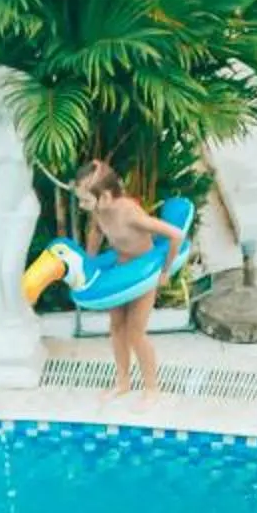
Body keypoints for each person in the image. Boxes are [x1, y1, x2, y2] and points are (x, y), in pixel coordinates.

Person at [72, 160, 183, 400]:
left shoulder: (129, 213)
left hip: (141, 275)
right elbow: (96, 232)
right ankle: (123, 382)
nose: (82, 206)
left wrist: (164, 271)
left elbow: (176, 235)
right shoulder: (99, 211)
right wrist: (90, 264)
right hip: (120, 270)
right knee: (116, 327)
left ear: (106, 196)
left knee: (135, 333)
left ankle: (151, 388)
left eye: (85, 200)